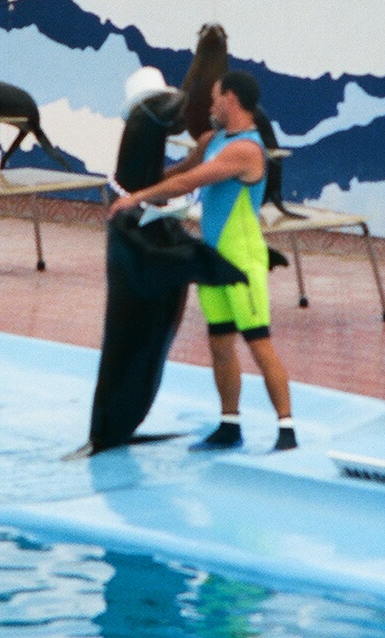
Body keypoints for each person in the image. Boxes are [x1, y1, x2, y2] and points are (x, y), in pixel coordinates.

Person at [108, 70, 297, 453]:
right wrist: (131, 182)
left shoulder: (246, 150)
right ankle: (229, 424)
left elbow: (188, 185)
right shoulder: (213, 140)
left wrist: (138, 198)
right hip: (213, 259)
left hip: (242, 262)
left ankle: (287, 428)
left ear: (231, 99)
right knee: (220, 344)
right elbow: (177, 172)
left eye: (214, 98)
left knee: (259, 344)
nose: (209, 106)